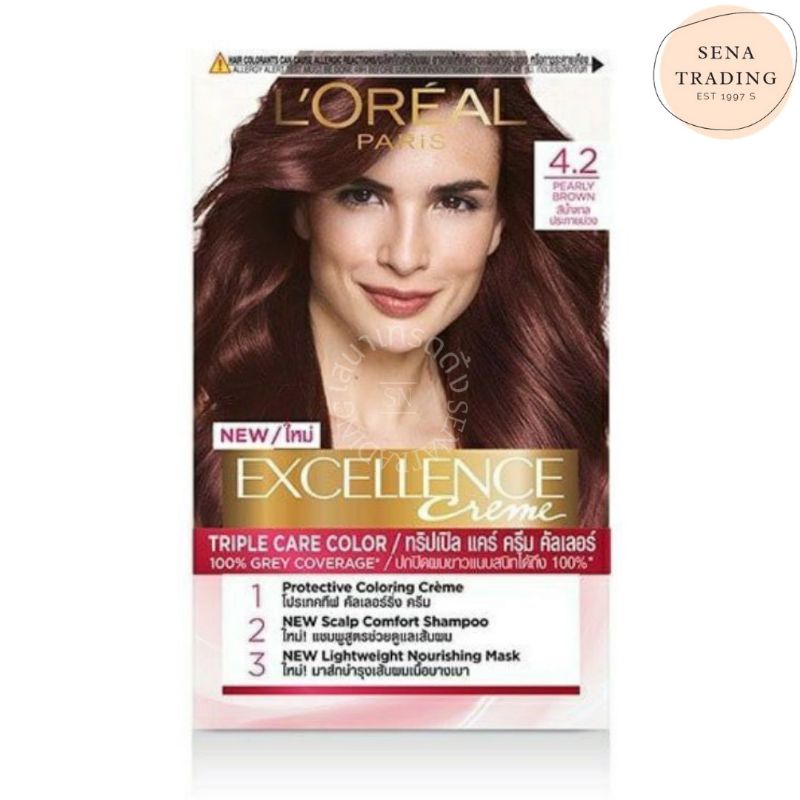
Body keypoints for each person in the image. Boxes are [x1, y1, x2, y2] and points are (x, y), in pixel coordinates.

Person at [195, 75, 608, 526]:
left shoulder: (547, 432)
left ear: (498, 226)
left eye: (455, 203)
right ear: (301, 208)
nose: (406, 257)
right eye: (363, 196)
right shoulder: (200, 433)